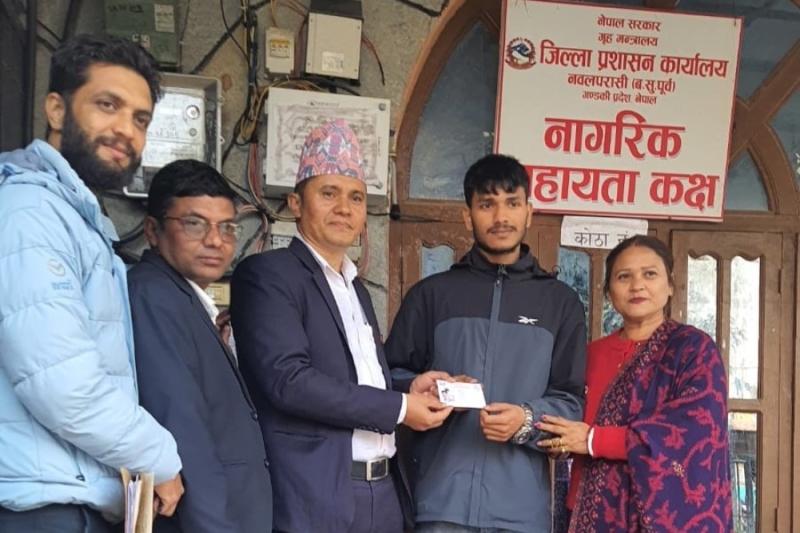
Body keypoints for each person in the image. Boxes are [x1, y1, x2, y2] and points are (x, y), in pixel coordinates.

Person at [231, 119, 453, 533]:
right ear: (296, 204)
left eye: (356, 197)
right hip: (316, 495)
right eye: (328, 193)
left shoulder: (356, 288)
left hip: (382, 491)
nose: (344, 209)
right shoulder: (269, 276)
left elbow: (352, 378)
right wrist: (401, 409)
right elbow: (287, 380)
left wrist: (409, 389)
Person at [0, 34, 183, 532]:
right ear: (56, 110)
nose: (125, 129)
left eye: (140, 119)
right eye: (107, 105)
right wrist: (159, 457)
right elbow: (62, 384)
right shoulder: (31, 212)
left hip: (65, 495)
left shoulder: (76, 218)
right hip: (42, 508)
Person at [385, 153, 587, 532]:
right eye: (486, 204)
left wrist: (526, 420)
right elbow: (388, 379)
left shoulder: (560, 303)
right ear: (468, 216)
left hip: (521, 513)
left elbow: (571, 400)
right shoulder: (432, 295)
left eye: (512, 203)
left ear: (529, 212)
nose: (500, 217)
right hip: (439, 505)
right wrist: (426, 389)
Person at [536, 235, 732, 532]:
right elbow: (571, 420)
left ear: (670, 285)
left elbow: (693, 430)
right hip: (587, 512)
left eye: (649, 274)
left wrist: (594, 440)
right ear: (609, 292)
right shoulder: (591, 354)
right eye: (624, 276)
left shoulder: (693, 350)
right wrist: (561, 443)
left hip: (659, 515)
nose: (637, 285)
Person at [127, 159, 273, 532]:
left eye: (227, 227)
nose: (215, 240)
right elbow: (182, 428)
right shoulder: (154, 296)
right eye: (194, 223)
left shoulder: (184, 300)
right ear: (153, 230)